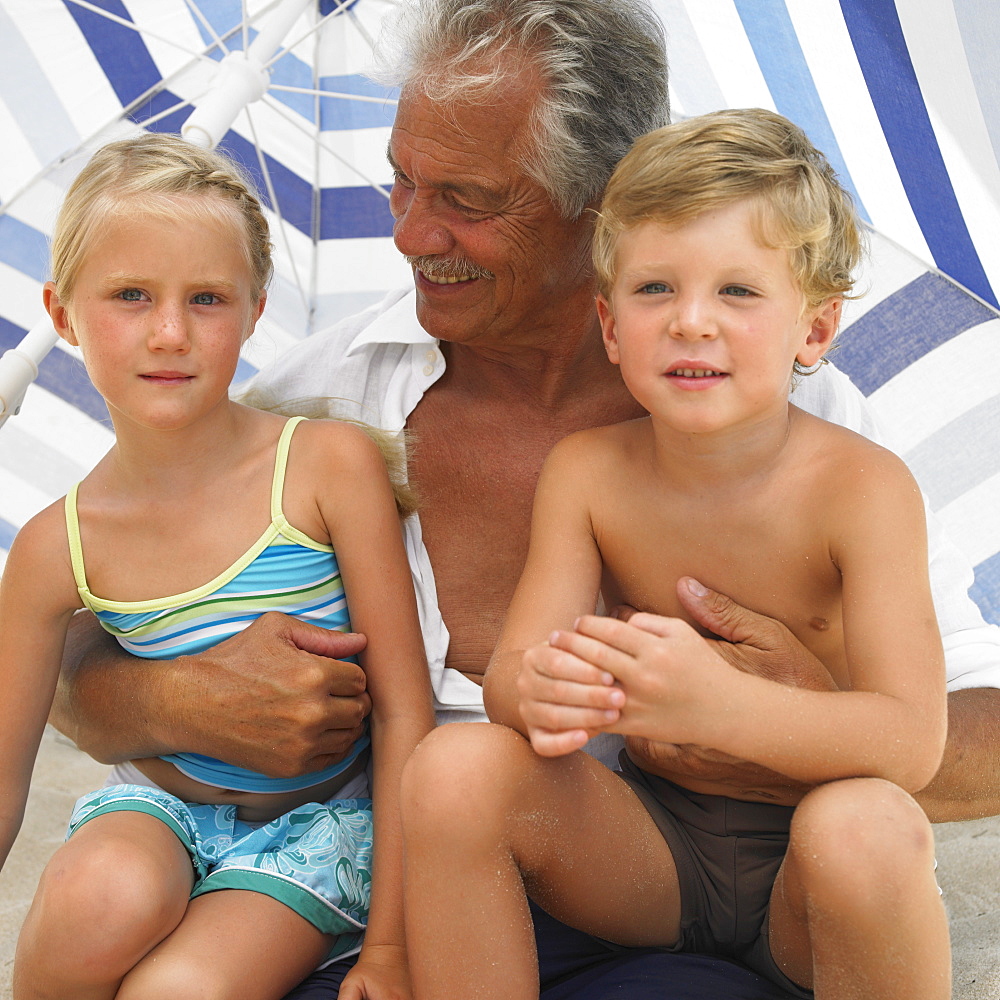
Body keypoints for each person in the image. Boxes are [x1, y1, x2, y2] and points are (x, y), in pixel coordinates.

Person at [50, 2, 1000, 998]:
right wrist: (173, 695)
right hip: (440, 886)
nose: (413, 232)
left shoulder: (817, 427)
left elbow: (966, 726)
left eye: (467, 197)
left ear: (601, 207)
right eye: (401, 179)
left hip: (705, 896)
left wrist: (772, 721)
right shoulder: (324, 397)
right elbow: (78, 631)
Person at [400, 108, 951, 1000]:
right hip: (655, 855)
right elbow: (513, 677)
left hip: (810, 881)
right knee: (457, 768)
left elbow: (911, 742)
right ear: (611, 328)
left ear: (813, 330)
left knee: (868, 825)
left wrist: (719, 705)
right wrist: (543, 690)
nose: (692, 323)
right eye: (655, 289)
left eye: (738, 292)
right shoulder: (589, 473)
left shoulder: (863, 488)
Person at [4, 134, 433, 1000]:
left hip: (323, 831)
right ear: (61, 314)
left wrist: (390, 944)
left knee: (182, 991)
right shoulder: (56, 545)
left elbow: (404, 712)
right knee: (96, 897)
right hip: (160, 814)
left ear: (253, 308)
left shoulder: (325, 467)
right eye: (131, 295)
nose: (170, 333)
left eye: (207, 298)